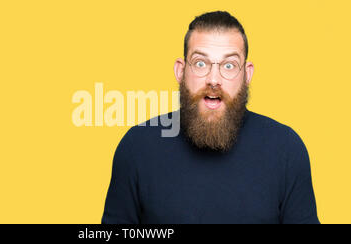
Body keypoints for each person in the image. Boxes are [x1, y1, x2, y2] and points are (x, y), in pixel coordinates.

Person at [102, 11, 320, 224]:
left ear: (247, 74)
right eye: (200, 63)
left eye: (229, 65)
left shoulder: (287, 150)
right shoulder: (136, 148)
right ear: (180, 70)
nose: (214, 80)